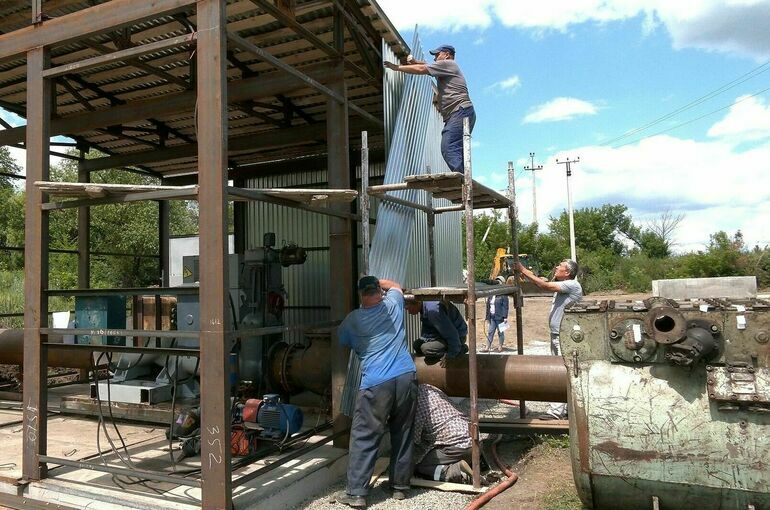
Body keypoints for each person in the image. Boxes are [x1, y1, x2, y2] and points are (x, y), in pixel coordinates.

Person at [335, 276, 417, 508]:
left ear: (361, 295)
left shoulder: (353, 321)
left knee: (364, 436)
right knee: (403, 430)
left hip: (376, 383)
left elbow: (344, 341)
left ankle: (357, 493)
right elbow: (397, 287)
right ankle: (400, 487)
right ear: (379, 292)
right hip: (405, 377)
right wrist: (382, 281)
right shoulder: (393, 305)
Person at [383, 44, 475, 173]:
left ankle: (463, 181)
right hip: (461, 112)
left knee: (448, 146)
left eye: (438, 55)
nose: (435, 58)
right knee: (456, 149)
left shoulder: (448, 64)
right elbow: (426, 64)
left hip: (459, 111)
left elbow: (422, 68)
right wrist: (415, 61)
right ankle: (465, 180)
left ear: (447, 55)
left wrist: (397, 67)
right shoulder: (445, 67)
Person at [517, 259, 582, 420]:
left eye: (559, 266)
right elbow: (541, 281)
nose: (556, 267)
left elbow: (544, 285)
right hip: (557, 333)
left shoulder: (572, 285)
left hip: (563, 335)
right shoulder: (564, 285)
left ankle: (556, 412)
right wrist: (524, 271)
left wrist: (522, 270)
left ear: (567, 272)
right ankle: (566, 409)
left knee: (560, 370)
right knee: (563, 369)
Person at [412, 383, 475, 484]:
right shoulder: (429, 388)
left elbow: (414, 441)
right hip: (475, 441)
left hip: (457, 447)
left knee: (420, 466)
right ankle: (475, 462)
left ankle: (455, 471)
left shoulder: (417, 405)